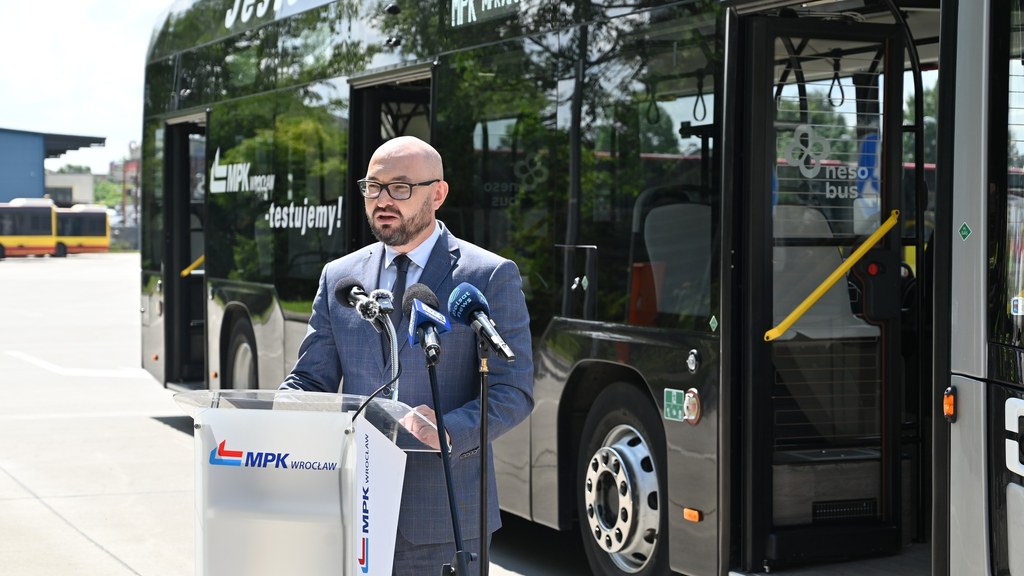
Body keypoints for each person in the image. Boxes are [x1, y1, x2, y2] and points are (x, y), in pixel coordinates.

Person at [280, 136, 534, 574]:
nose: (382, 200)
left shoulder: (487, 275)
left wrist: (448, 430)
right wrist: (274, 411)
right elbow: (311, 379)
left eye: (400, 188)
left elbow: (513, 391)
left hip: (444, 517)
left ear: (437, 193)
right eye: (372, 187)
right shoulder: (339, 276)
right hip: (352, 508)